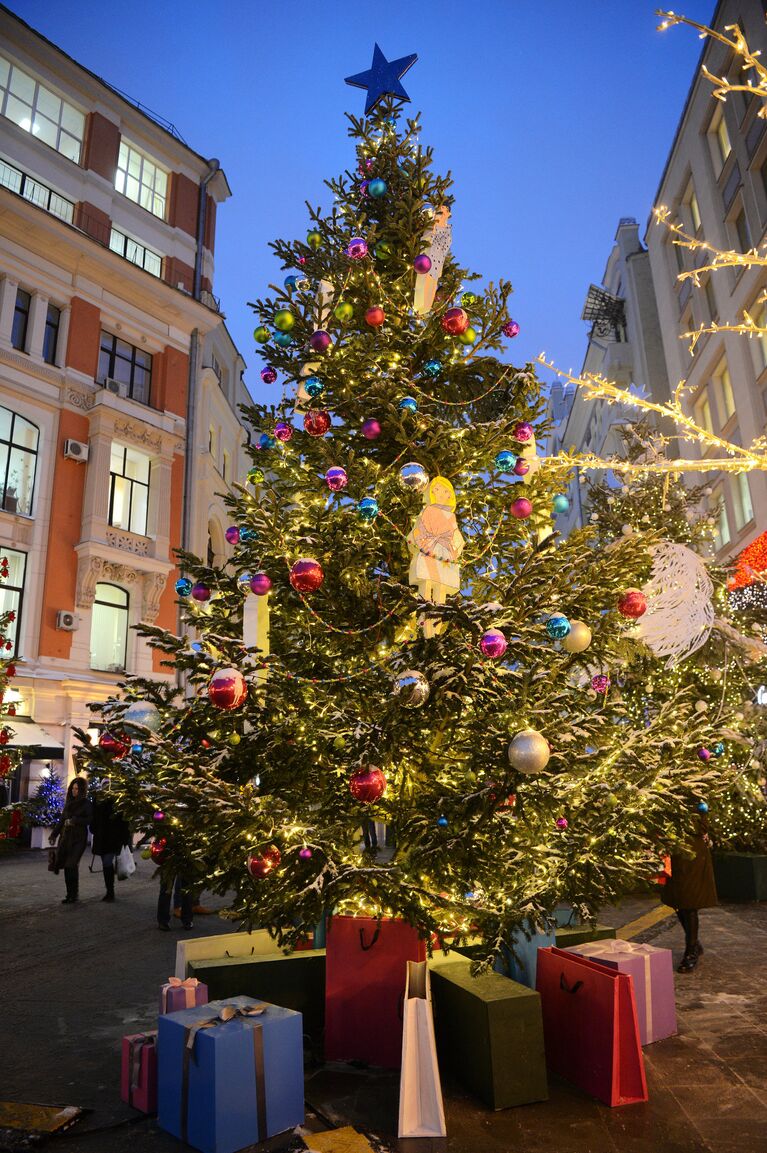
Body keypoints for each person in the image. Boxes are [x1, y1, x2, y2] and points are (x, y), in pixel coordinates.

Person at [660, 813, 718, 972]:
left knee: (690, 902)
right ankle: (694, 943)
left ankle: (691, 951)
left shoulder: (697, 798)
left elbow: (701, 826)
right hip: (674, 853)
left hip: (692, 853)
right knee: (677, 900)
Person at [49, 777, 92, 904]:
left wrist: (75, 821)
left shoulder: (86, 804)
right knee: (67, 867)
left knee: (71, 864)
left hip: (79, 839)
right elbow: (62, 820)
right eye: (73, 788)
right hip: (66, 838)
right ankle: (70, 894)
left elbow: (90, 819)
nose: (74, 791)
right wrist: (53, 835)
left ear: (82, 790)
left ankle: (74, 893)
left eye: (77, 789)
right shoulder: (68, 803)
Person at [90, 791, 131, 902]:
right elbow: (93, 816)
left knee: (107, 862)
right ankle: (109, 890)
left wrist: (124, 838)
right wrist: (93, 828)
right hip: (101, 838)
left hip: (113, 838)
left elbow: (124, 820)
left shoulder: (118, 799)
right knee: (105, 864)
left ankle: (110, 892)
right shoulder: (97, 799)